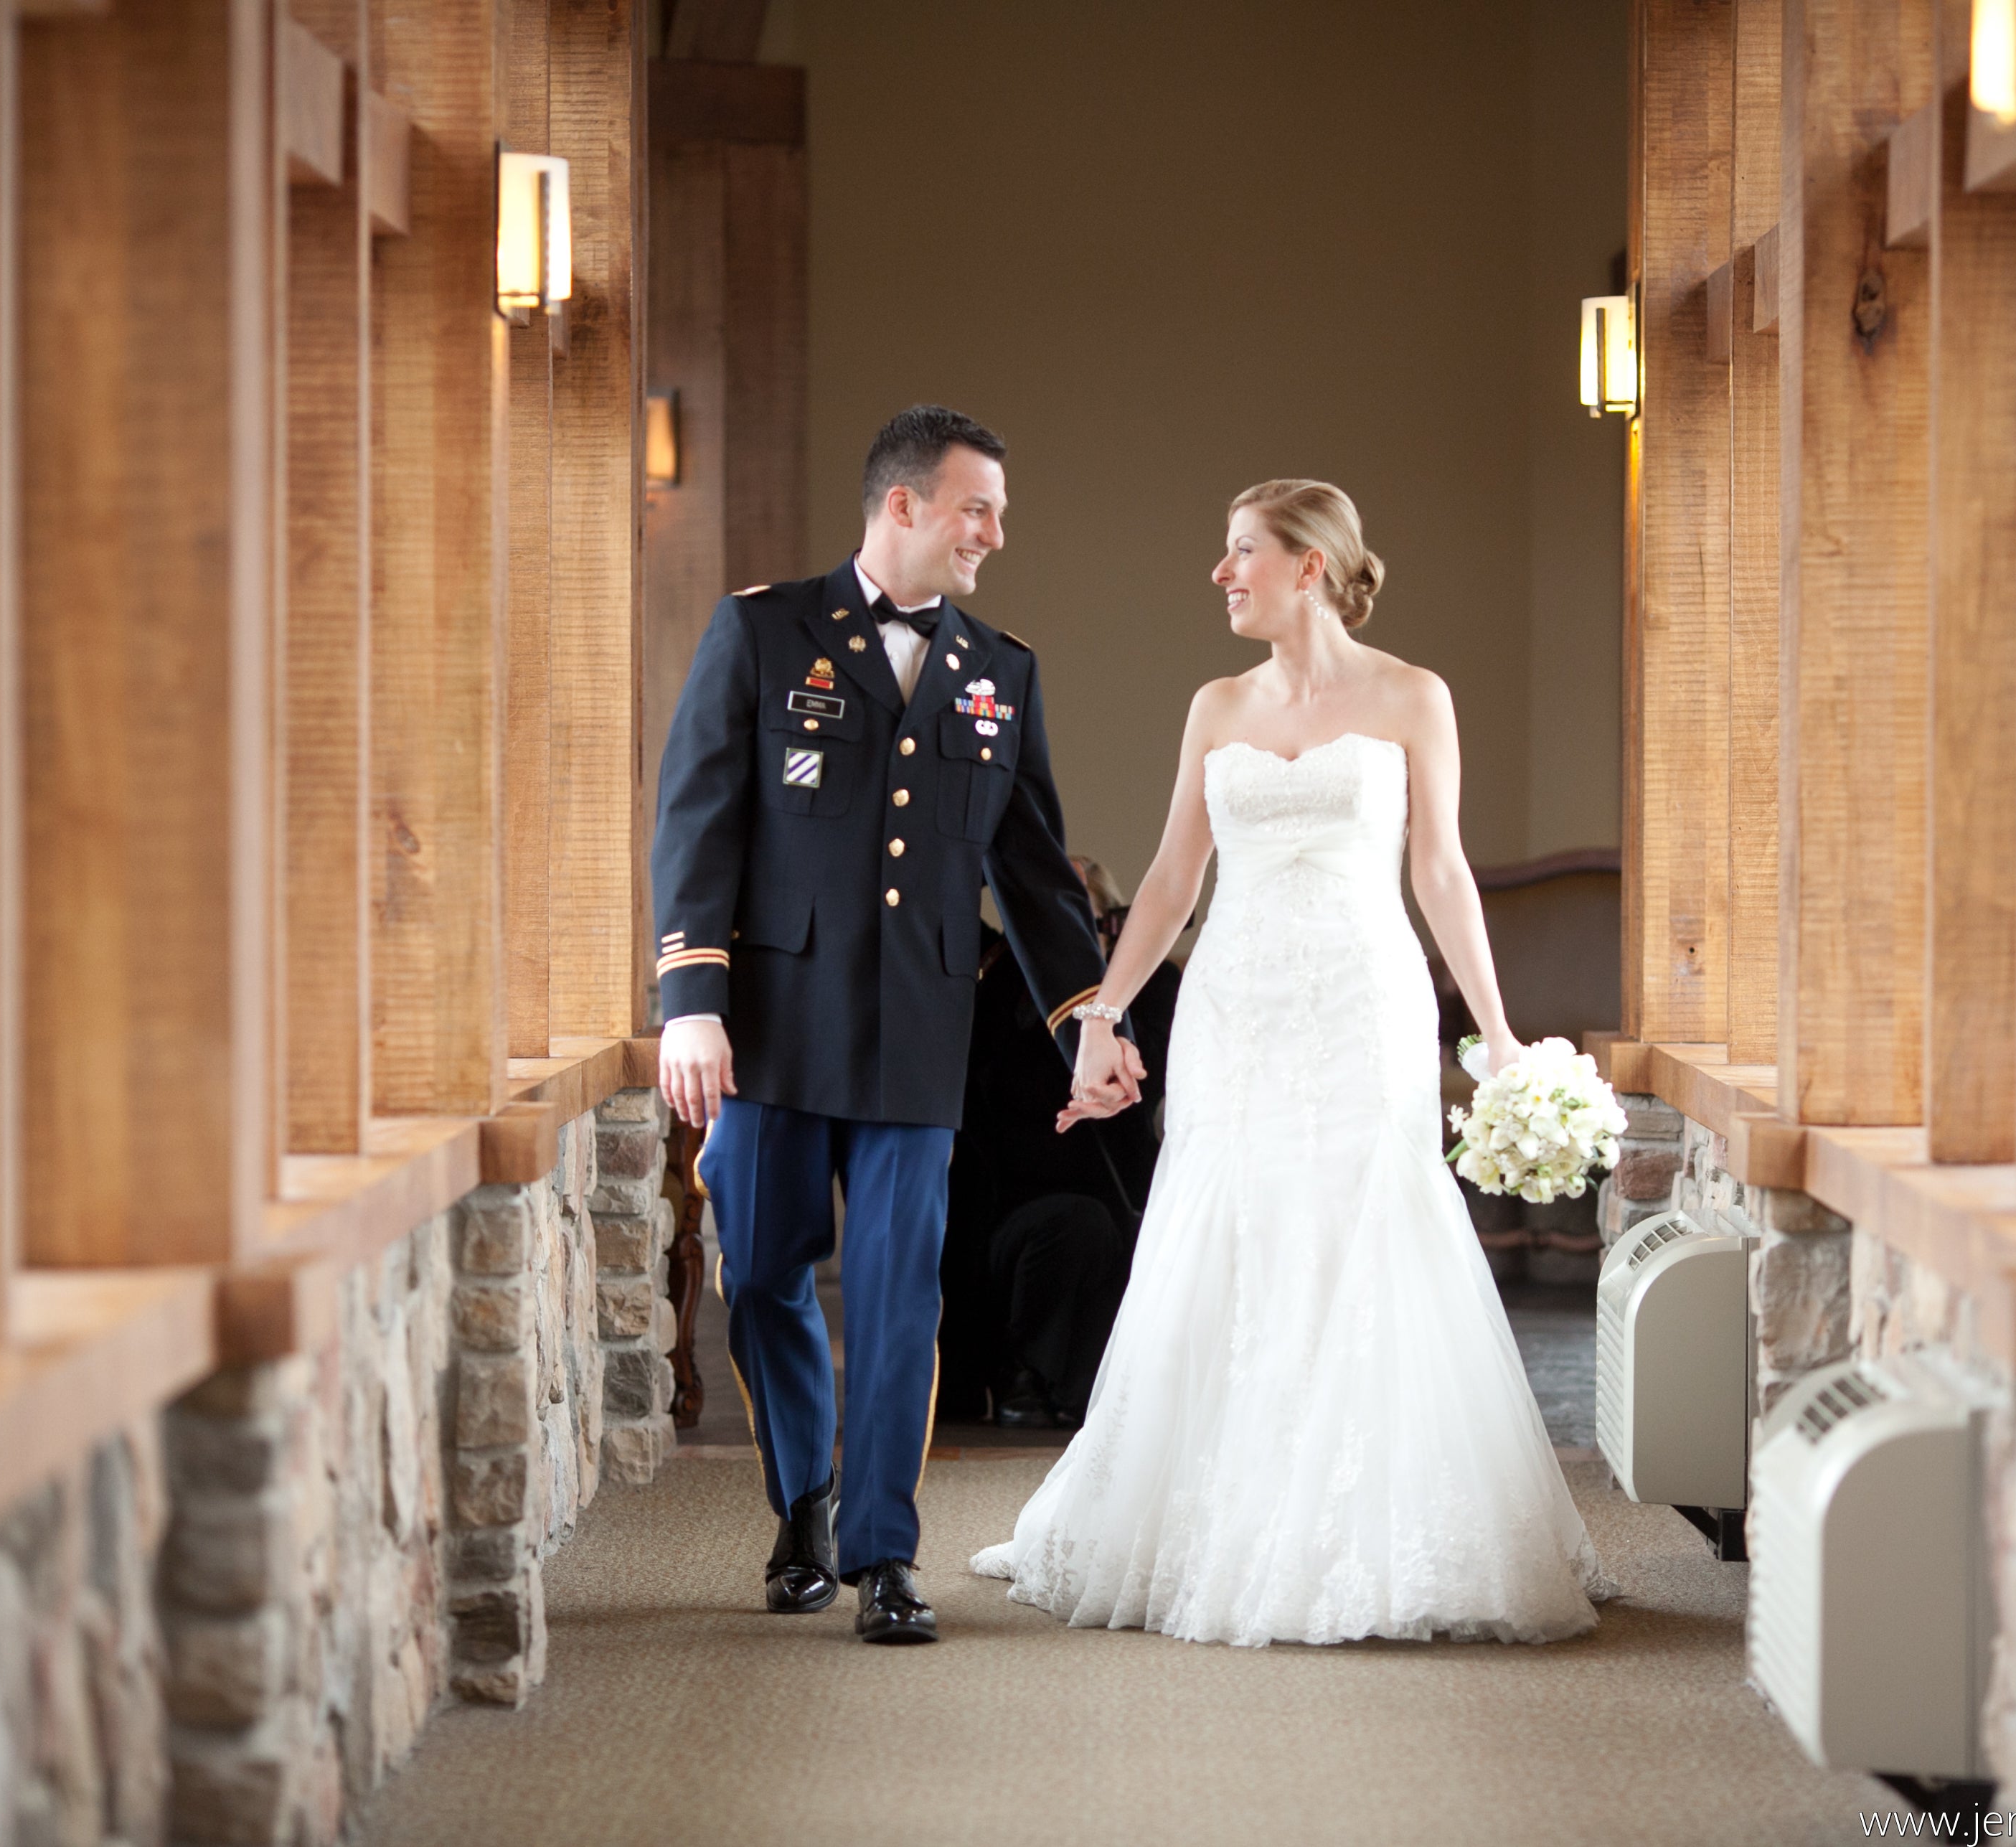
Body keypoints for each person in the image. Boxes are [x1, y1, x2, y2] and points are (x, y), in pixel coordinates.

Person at [973, 479, 1609, 1646]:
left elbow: (1442, 873)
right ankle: (1220, 1507)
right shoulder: (1215, 705)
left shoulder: (1414, 696)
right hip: (1240, 1008)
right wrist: (1103, 1015)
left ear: (1309, 563)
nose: (1221, 574)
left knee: (1366, 1232)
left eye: (1240, 552)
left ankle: (1375, 1514)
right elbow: (1169, 880)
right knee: (1237, 1235)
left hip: (1362, 1002)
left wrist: (1501, 1030)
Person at [653, 405, 1141, 1645]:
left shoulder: (1002, 667)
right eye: (977, 508)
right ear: (904, 506)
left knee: (895, 1293)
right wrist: (691, 1001)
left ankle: (882, 1547)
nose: (994, 534)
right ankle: (804, 1491)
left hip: (919, 1033)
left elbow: (1033, 874)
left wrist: (1088, 1017)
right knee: (761, 1272)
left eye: (999, 513)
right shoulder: (763, 630)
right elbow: (698, 825)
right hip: (770, 1027)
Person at [941, 859, 1181, 1429]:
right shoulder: (995, 994)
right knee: (1074, 1224)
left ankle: (1078, 1389)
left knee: (1114, 1231)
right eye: (1047, 924)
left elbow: (1148, 1085)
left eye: (1078, 924)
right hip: (1005, 1224)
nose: (1061, 944)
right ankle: (1024, 1375)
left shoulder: (1146, 1002)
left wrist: (1103, 1006)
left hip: (1121, 1208)